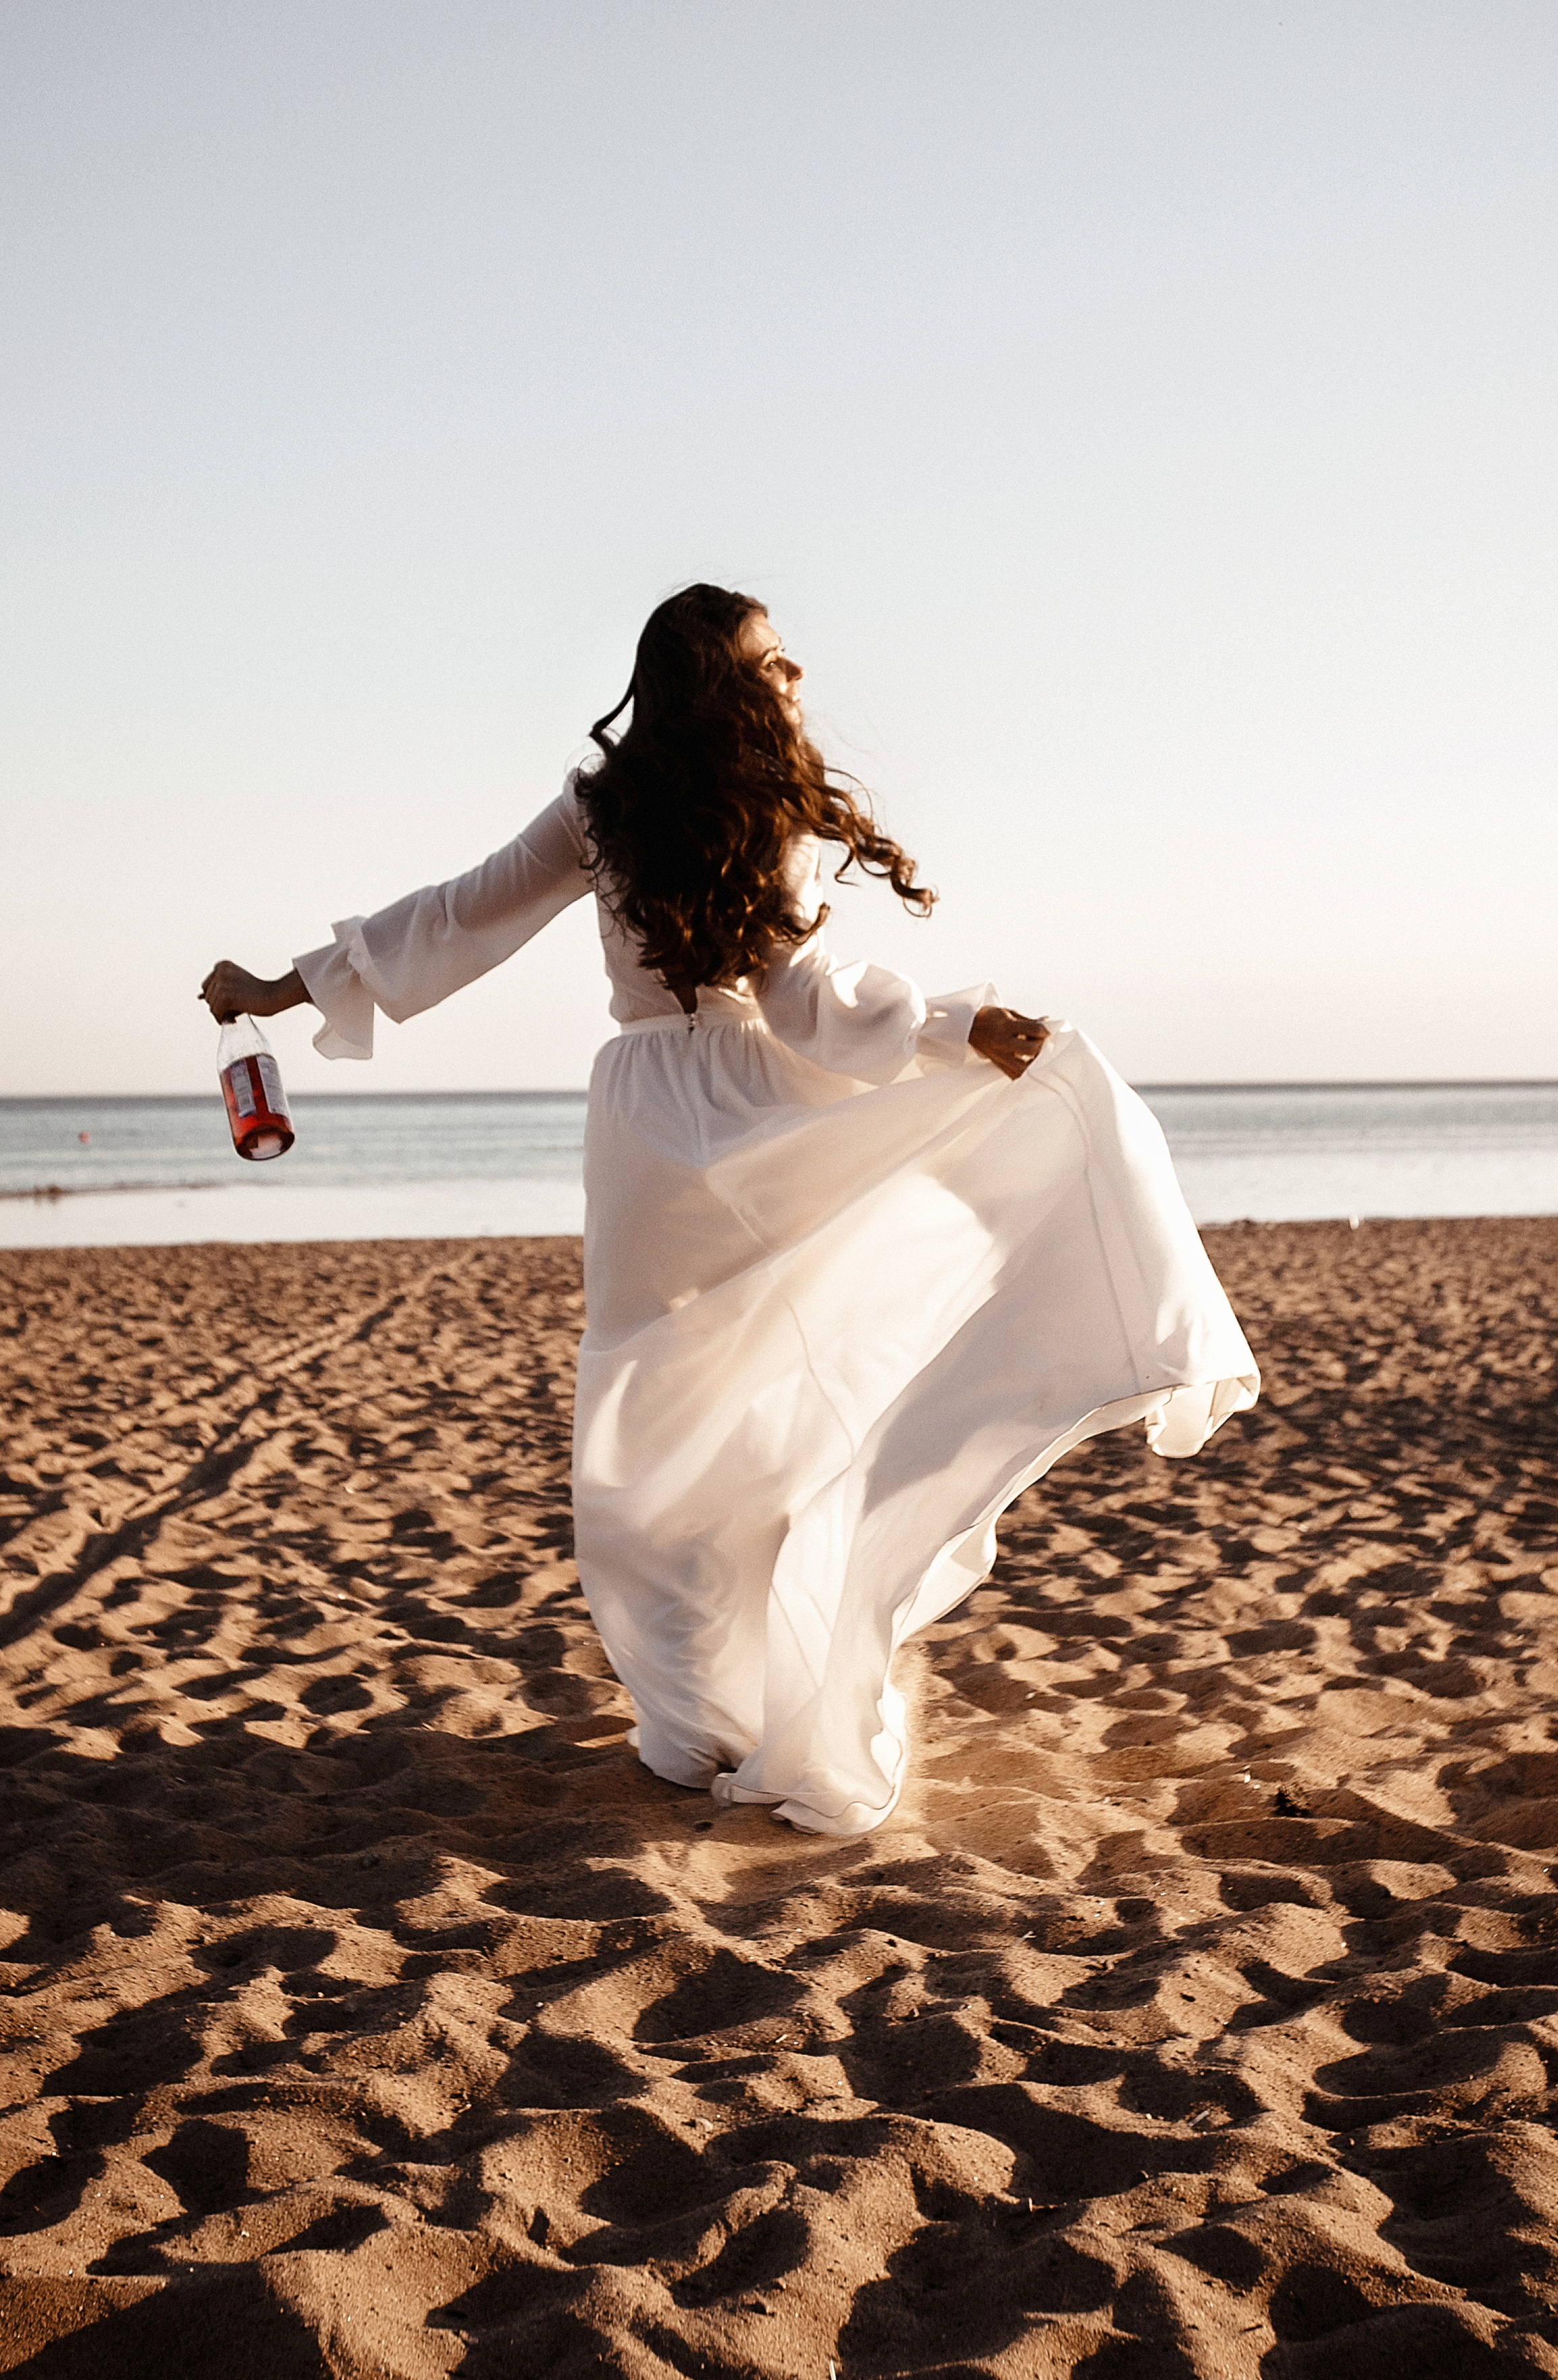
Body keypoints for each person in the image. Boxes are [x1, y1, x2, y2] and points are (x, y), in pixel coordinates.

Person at [202, 583, 1258, 1835]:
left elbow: (456, 915)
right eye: (771, 661)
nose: (795, 674)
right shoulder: (758, 811)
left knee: (653, 1413)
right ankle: (766, 1687)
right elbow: (805, 1001)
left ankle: (701, 1714)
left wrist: (283, 985)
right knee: (783, 1404)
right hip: (765, 1116)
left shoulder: (600, 808)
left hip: (649, 1129)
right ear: (717, 686)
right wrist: (949, 1028)